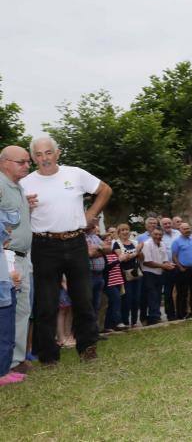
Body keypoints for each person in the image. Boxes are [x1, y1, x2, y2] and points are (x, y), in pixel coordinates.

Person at [21, 135, 112, 365]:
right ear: (33, 158)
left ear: (57, 153)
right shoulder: (25, 183)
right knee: (46, 303)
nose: (44, 158)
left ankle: (87, 347)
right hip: (43, 245)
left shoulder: (75, 174)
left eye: (48, 152)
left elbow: (105, 190)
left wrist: (90, 214)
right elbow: (16, 217)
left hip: (75, 242)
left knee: (83, 298)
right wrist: (25, 208)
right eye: (39, 154)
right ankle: (48, 356)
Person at [0, 146, 34, 375]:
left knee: (22, 309)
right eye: (21, 162)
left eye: (28, 162)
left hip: (22, 257)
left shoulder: (18, 187)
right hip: (6, 258)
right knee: (6, 311)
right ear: (4, 162)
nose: (27, 165)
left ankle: (15, 360)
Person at [0, 208, 24, 385]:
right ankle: (2, 373)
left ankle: (4, 369)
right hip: (3, 286)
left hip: (6, 286)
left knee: (7, 331)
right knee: (5, 332)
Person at [140, 227, 175, 325]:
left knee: (158, 295)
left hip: (159, 273)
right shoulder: (147, 244)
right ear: (151, 234)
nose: (158, 236)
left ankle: (155, 316)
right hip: (148, 273)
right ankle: (153, 317)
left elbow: (164, 259)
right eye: (156, 234)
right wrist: (164, 266)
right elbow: (147, 262)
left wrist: (168, 264)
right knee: (152, 295)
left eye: (160, 235)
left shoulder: (162, 244)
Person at [114, 224, 142, 328]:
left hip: (136, 272)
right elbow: (123, 258)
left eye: (127, 230)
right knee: (127, 298)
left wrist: (139, 252)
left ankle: (134, 321)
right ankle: (125, 321)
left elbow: (141, 257)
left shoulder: (134, 242)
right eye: (122, 230)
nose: (125, 232)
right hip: (124, 274)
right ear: (119, 232)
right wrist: (136, 252)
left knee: (136, 298)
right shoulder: (116, 244)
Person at [171, 222, 192, 319]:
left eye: (188, 228)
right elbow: (174, 256)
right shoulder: (176, 242)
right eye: (184, 229)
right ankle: (181, 314)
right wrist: (180, 267)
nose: (187, 230)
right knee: (182, 293)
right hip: (183, 269)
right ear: (180, 230)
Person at [101, 231, 125, 333]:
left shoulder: (114, 252)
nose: (109, 241)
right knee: (116, 300)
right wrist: (118, 260)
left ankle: (108, 325)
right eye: (106, 240)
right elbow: (105, 268)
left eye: (110, 240)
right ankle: (118, 322)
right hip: (109, 283)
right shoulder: (102, 254)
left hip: (117, 281)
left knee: (112, 303)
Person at [160, 217, 179, 321]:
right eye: (165, 224)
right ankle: (170, 314)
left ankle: (180, 312)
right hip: (167, 267)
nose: (167, 225)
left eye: (169, 223)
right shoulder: (160, 236)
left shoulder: (178, 233)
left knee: (180, 290)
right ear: (161, 226)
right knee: (168, 292)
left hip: (179, 266)